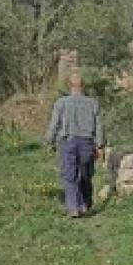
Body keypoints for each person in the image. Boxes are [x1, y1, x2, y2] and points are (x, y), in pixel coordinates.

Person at [45, 72, 106, 218]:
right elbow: (99, 126)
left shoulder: (61, 103)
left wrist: (49, 141)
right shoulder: (92, 103)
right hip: (87, 143)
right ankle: (85, 204)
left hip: (68, 142)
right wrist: (100, 145)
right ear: (83, 86)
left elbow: (54, 124)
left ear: (69, 86)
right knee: (86, 175)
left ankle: (74, 208)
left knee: (69, 176)